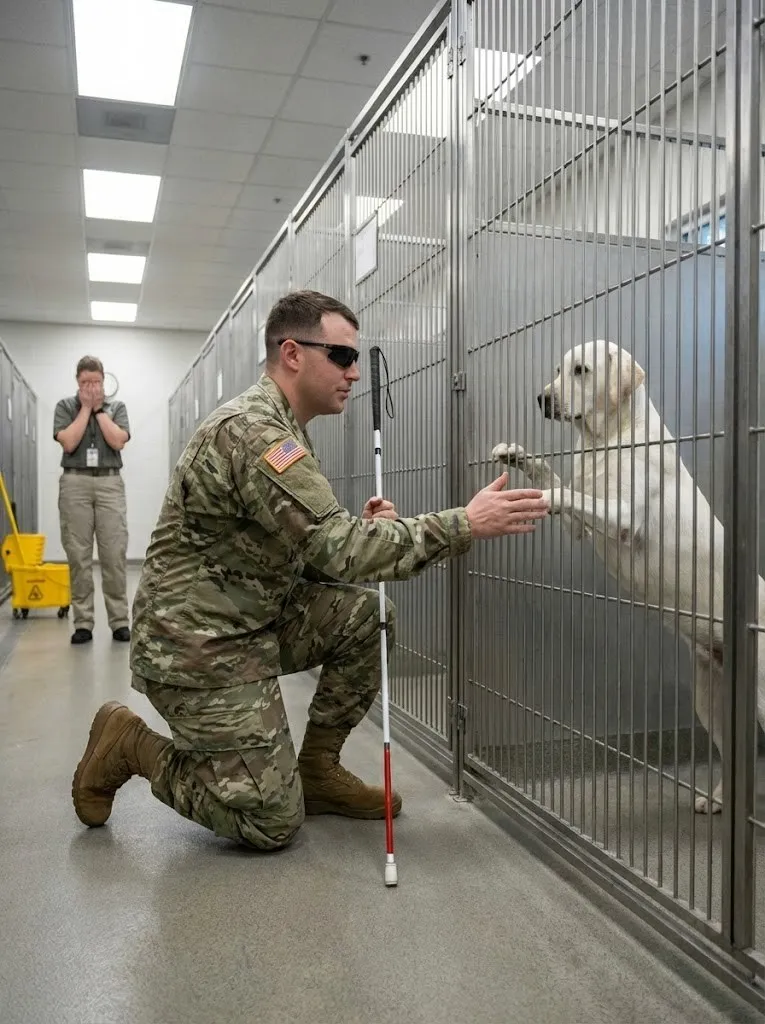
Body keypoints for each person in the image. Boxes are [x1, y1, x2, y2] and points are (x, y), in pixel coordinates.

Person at [71, 290, 549, 852]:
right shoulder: (257, 434)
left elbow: (308, 547)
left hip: (251, 621)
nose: (354, 374)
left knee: (369, 616)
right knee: (269, 823)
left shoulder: (285, 429)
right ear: (293, 353)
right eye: (342, 357)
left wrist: (360, 536)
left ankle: (318, 771)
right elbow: (336, 547)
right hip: (197, 647)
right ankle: (130, 744)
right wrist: (464, 523)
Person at [54, 356, 131, 646]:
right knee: (78, 555)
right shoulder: (65, 407)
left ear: (103, 381)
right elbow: (69, 442)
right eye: (85, 382)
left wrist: (99, 411)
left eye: (96, 382)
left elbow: (118, 440)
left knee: (114, 554)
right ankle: (83, 622)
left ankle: (120, 621)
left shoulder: (117, 407)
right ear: (77, 381)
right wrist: (85, 409)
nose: (91, 387)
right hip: (75, 481)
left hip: (110, 481)